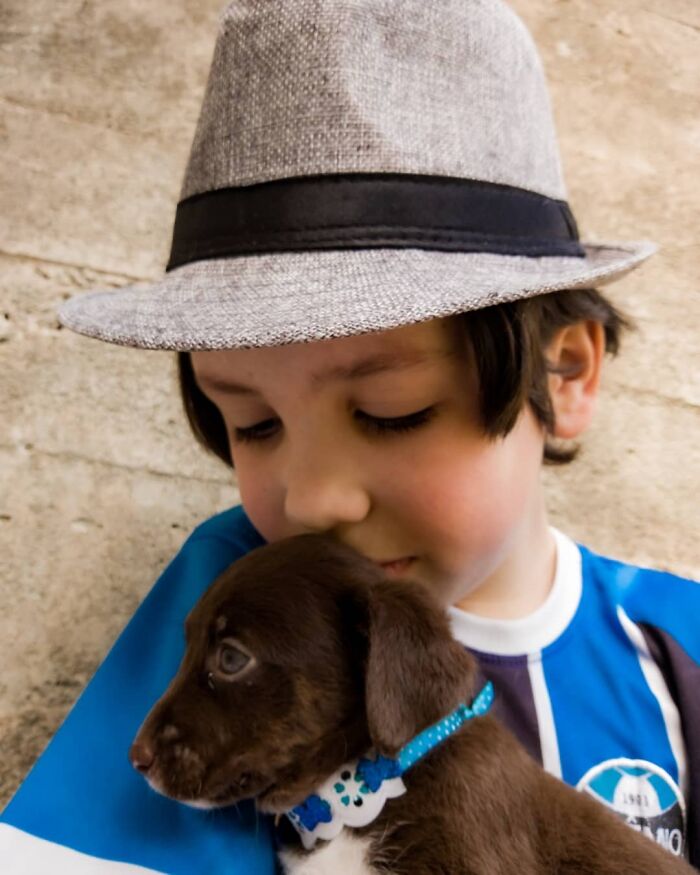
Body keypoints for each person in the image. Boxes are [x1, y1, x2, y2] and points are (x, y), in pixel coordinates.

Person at [1, 0, 697, 872]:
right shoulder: (230, 595)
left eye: (392, 410)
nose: (312, 497)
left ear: (562, 377)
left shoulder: (680, 642)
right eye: (251, 423)